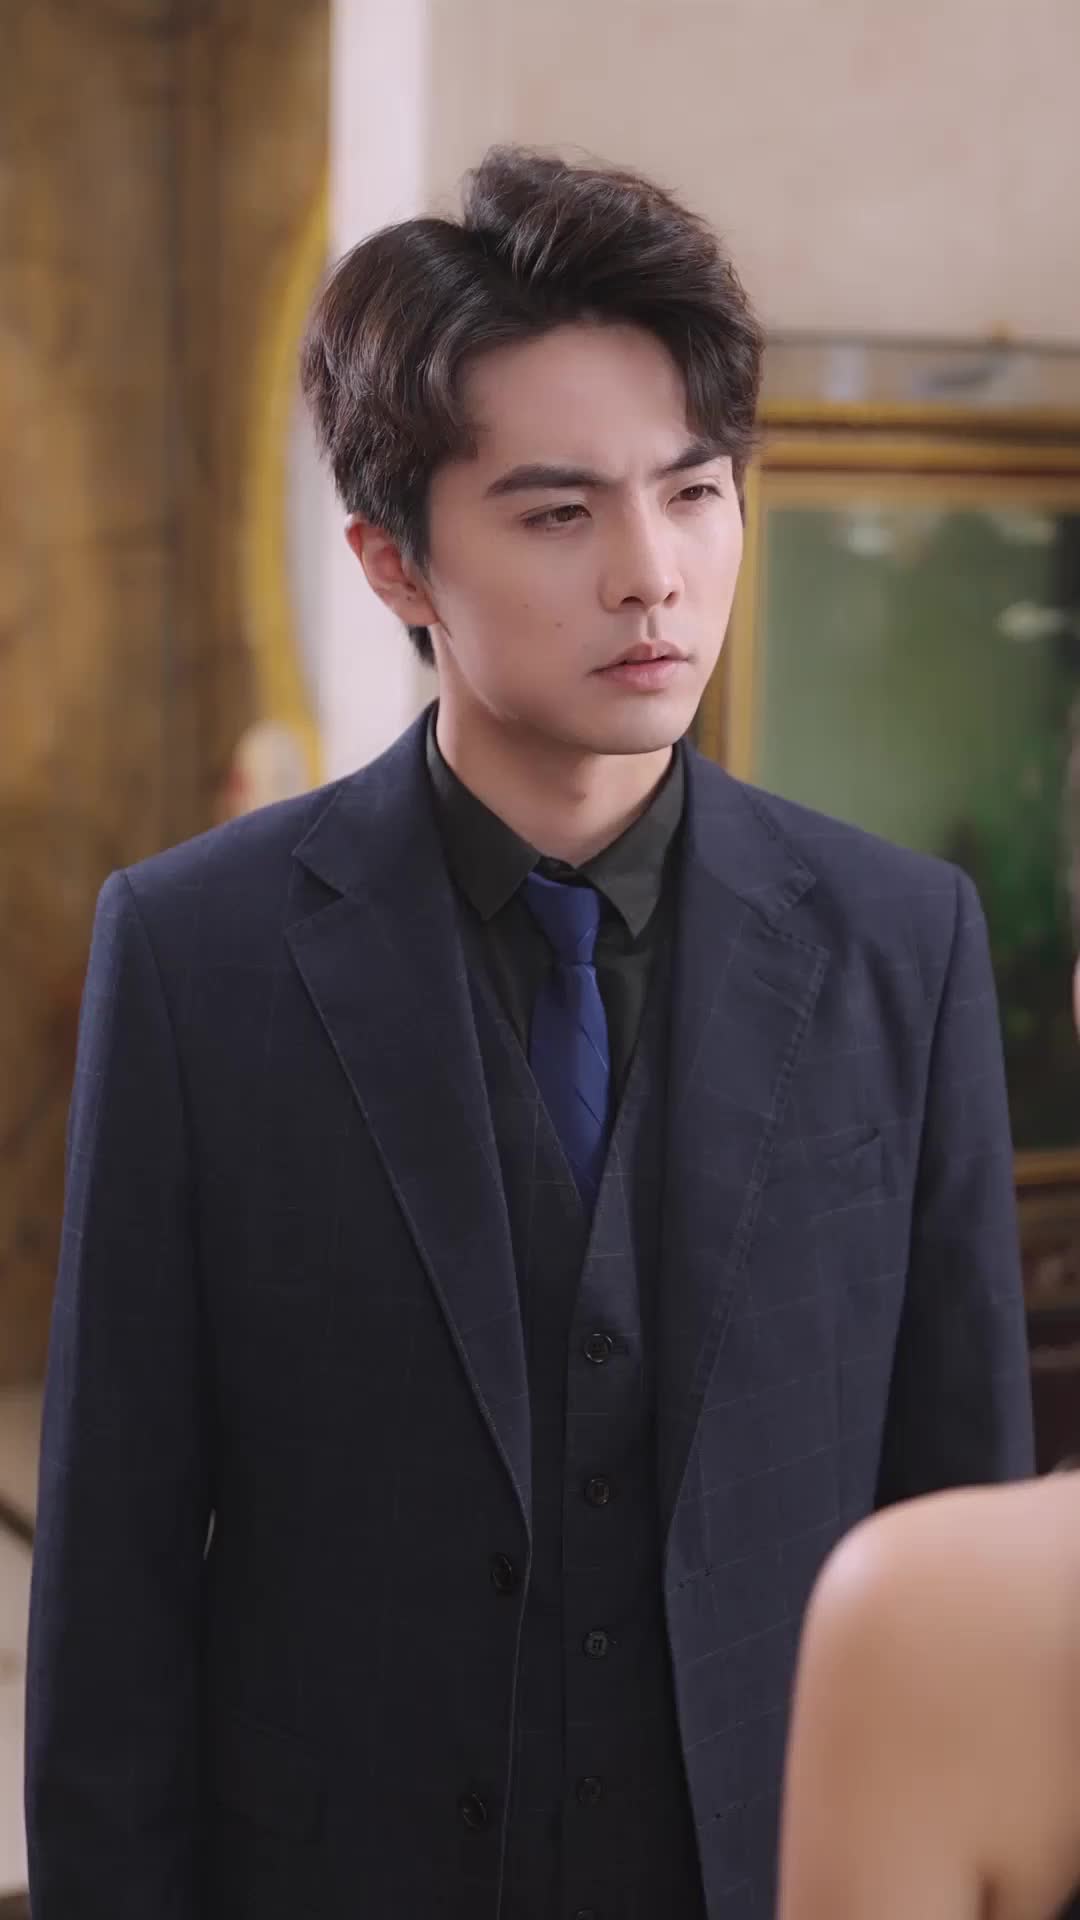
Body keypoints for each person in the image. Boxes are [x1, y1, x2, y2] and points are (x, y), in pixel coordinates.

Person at [25, 146, 1034, 1920]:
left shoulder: (905, 939)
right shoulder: (195, 954)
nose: (654, 575)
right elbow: (115, 1570)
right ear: (393, 562)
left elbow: (969, 1533)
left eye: (696, 492)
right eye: (559, 514)